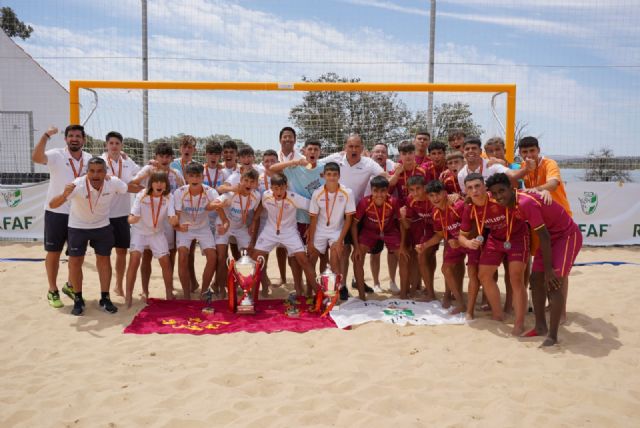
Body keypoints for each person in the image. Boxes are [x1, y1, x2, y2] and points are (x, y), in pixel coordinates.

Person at [486, 173, 581, 346]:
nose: (499, 196)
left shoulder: (524, 202)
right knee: (535, 279)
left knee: (553, 281)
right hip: (549, 238)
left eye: (502, 191)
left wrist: (549, 270)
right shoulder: (510, 201)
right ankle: (540, 327)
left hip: (565, 236)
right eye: (495, 193)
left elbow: (543, 235)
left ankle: (552, 335)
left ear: (511, 188)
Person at [49, 157, 128, 316]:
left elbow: (126, 188)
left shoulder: (113, 182)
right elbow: (53, 205)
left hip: (102, 226)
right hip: (78, 227)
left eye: (100, 171)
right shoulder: (77, 185)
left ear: (106, 172)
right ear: (87, 172)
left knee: (104, 260)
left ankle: (105, 298)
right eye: (92, 171)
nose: (95, 175)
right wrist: (64, 194)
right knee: (75, 262)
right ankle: (78, 298)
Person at [457, 173, 529, 335]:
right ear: (466, 191)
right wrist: (468, 243)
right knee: (484, 275)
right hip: (495, 239)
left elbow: (521, 195)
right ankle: (498, 314)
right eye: (470, 188)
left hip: (517, 237)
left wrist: (541, 191)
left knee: (516, 278)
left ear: (484, 187)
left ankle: (519, 323)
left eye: (477, 186)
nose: (474, 190)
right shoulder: (469, 208)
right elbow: (461, 236)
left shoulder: (499, 197)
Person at [31, 124, 93, 309]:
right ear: (66, 139)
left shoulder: (89, 159)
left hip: (78, 214)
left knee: (77, 256)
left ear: (84, 140)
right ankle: (52, 289)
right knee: (54, 253)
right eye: (71, 136)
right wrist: (45, 135)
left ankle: (70, 286)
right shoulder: (56, 154)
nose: (75, 139)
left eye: (78, 136)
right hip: (56, 212)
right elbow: (36, 157)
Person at [321, 134, 385, 299]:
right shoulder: (336, 158)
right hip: (337, 213)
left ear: (362, 149)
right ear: (345, 148)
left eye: (357, 147)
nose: (354, 149)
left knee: (359, 250)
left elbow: (385, 177)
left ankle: (358, 280)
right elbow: (315, 167)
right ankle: (341, 285)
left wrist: (396, 174)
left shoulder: (369, 163)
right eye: (351, 146)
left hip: (358, 213)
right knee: (343, 250)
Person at [269, 140, 325, 294]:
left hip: (319, 219)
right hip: (299, 219)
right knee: (295, 255)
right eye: (310, 149)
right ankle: (298, 288)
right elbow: (271, 169)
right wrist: (293, 162)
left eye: (316, 150)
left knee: (317, 255)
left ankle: (314, 288)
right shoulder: (294, 168)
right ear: (304, 151)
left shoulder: (323, 168)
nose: (313, 152)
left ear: (319, 152)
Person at [130, 143, 185, 299]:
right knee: (146, 255)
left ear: (172, 158)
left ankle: (169, 288)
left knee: (168, 255)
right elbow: (133, 183)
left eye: (168, 156)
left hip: (168, 217)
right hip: (148, 219)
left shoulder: (175, 173)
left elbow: (183, 189)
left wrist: (172, 171)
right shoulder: (148, 170)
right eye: (161, 156)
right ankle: (145, 290)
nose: (165, 159)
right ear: (156, 157)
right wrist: (145, 182)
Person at [250, 173, 317, 297]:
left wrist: (310, 227)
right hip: (270, 231)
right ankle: (250, 294)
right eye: (276, 188)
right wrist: (254, 221)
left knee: (303, 260)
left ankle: (319, 294)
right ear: (271, 188)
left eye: (281, 188)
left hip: (289, 232)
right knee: (254, 258)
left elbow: (313, 208)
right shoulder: (266, 196)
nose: (279, 191)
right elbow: (260, 207)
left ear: (286, 186)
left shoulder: (293, 197)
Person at [174, 163, 229, 300]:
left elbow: (224, 217)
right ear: (186, 177)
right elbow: (175, 221)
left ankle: (204, 292)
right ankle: (187, 294)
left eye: (197, 176)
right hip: (185, 228)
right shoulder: (179, 192)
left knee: (212, 257)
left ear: (202, 177)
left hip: (203, 228)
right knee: (182, 255)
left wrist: (225, 226)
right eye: (191, 176)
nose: (194, 179)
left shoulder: (210, 191)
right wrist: (179, 228)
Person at [351, 176, 409, 300]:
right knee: (357, 257)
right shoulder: (364, 202)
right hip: (369, 231)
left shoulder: (393, 201)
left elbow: (401, 224)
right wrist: (356, 247)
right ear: (371, 191)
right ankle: (362, 295)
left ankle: (403, 294)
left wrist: (403, 246)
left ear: (387, 190)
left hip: (389, 231)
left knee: (403, 256)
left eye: (382, 191)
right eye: (375, 191)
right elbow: (354, 224)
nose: (379, 194)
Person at [125, 171, 178, 307]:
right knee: (134, 260)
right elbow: (131, 218)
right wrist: (132, 219)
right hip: (139, 232)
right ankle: (129, 297)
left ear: (166, 185)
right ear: (151, 184)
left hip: (157, 233)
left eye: (162, 182)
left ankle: (169, 294)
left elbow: (172, 217)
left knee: (166, 262)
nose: (159, 184)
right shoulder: (142, 195)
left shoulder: (169, 197)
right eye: (156, 181)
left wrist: (174, 220)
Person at [100, 131, 141, 296]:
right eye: (111, 143)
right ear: (106, 145)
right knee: (104, 254)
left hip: (123, 214)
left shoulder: (127, 161)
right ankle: (106, 289)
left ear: (121, 146)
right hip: (104, 214)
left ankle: (118, 285)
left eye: (117, 143)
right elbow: (126, 186)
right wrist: (133, 187)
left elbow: (139, 176)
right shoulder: (100, 162)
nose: (114, 146)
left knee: (122, 252)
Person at [421, 180, 467, 314]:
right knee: (446, 268)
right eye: (431, 196)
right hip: (455, 242)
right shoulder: (435, 213)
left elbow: (475, 225)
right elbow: (439, 235)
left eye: (438, 194)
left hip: (471, 240)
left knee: (475, 273)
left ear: (445, 193)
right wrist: (425, 245)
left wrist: (462, 240)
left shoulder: (458, 205)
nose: (435, 198)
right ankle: (460, 303)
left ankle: (484, 303)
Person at [212, 169, 261, 295]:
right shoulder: (231, 194)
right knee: (221, 256)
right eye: (246, 181)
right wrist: (224, 219)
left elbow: (259, 208)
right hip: (224, 225)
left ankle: (245, 286)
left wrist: (254, 222)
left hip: (240, 228)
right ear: (240, 181)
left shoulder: (256, 196)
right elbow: (214, 205)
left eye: (252, 181)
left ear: (256, 184)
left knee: (247, 256)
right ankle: (220, 286)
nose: (248, 184)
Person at [307, 162, 355, 276]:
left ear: (339, 176)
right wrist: (310, 241)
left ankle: (334, 293)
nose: (332, 177)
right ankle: (311, 291)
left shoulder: (347, 192)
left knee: (335, 259)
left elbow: (349, 219)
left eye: (334, 174)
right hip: (320, 230)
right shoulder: (317, 193)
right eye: (329, 174)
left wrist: (339, 241)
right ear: (323, 176)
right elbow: (313, 219)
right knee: (311, 259)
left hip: (337, 231)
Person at [401, 175, 437, 300]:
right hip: (424, 230)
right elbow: (407, 224)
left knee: (427, 257)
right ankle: (427, 290)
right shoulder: (410, 199)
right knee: (422, 257)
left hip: (440, 229)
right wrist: (402, 217)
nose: (415, 192)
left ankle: (432, 293)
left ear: (425, 187)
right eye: (412, 189)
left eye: (418, 188)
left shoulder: (433, 197)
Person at [369, 142, 398, 292]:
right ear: (371, 154)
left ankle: (393, 281)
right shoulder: (366, 165)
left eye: (383, 152)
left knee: (393, 251)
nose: (380, 154)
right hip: (371, 214)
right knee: (375, 252)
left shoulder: (392, 166)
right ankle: (375, 283)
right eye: (377, 152)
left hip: (390, 214)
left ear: (387, 155)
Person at [457, 137, 529, 192]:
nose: (470, 151)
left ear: (480, 151)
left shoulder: (493, 165)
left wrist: (527, 169)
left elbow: (514, 178)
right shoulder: (461, 174)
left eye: (474, 148)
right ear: (463, 152)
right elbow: (467, 194)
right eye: (467, 149)